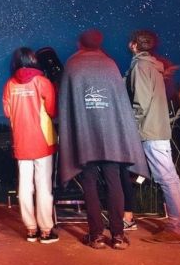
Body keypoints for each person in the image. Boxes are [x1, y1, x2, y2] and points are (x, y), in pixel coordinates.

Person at [58, 29, 149, 250]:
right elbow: (120, 104)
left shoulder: (72, 65)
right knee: (114, 181)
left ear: (80, 43)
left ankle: (96, 235)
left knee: (88, 183)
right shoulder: (110, 65)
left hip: (85, 135)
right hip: (111, 136)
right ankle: (118, 236)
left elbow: (66, 103)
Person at [127, 29, 180, 243]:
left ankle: (176, 228)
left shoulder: (140, 66)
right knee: (170, 177)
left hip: (150, 129)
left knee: (166, 178)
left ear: (135, 45)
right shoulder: (154, 67)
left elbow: (141, 102)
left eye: (131, 42)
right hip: (160, 127)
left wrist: (133, 128)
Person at [3, 47, 58, 243]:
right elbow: (52, 110)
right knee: (43, 185)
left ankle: (31, 229)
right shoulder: (43, 82)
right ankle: (45, 230)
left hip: (21, 141)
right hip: (42, 141)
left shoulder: (9, 84)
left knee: (25, 186)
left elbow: (8, 112)